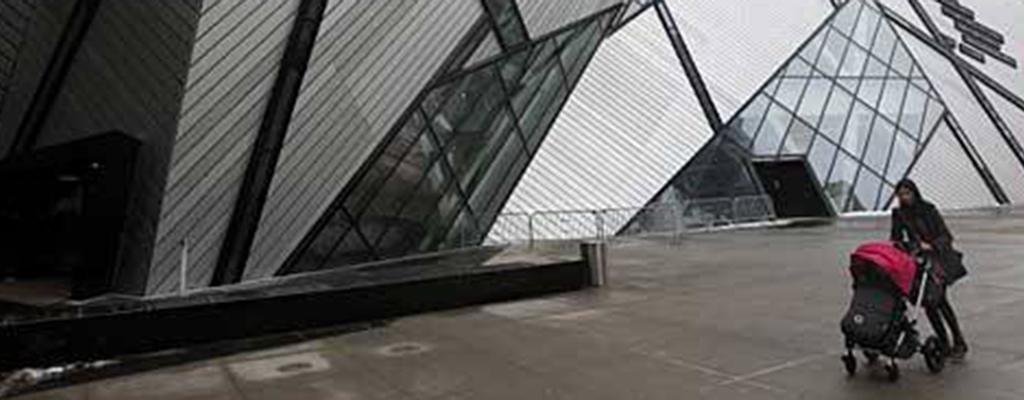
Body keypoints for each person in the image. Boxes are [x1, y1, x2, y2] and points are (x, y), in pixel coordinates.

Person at [890, 179, 968, 360]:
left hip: (938, 260)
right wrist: (913, 245)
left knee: (940, 301)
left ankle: (958, 341)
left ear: (915, 192)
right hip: (917, 261)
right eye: (901, 195)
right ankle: (944, 343)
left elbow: (946, 236)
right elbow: (895, 239)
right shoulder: (898, 214)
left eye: (907, 193)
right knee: (928, 304)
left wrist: (931, 245)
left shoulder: (928, 209)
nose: (904, 197)